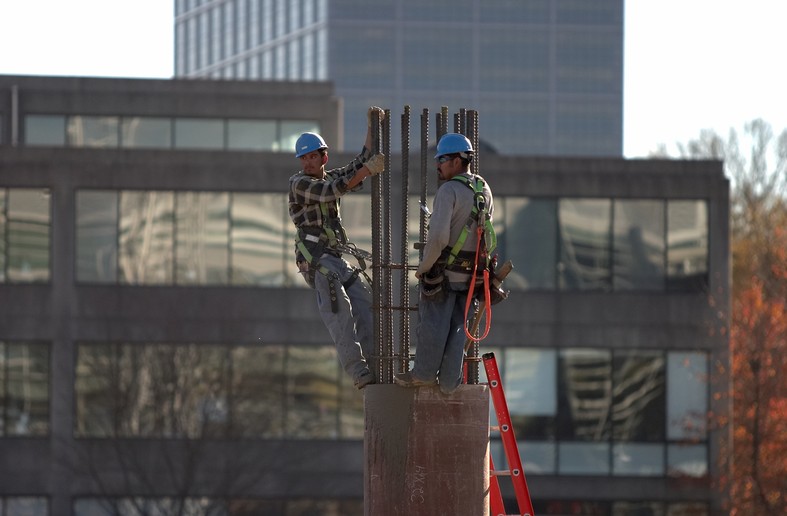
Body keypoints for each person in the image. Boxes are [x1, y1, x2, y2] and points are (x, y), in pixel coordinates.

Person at [289, 107, 386, 389]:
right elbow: (333, 191)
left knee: (365, 302)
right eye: (304, 158)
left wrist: (372, 126)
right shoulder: (299, 184)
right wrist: (366, 172)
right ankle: (358, 371)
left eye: (312, 157)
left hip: (334, 258)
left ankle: (376, 363)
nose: (307, 162)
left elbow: (360, 163)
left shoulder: (328, 177)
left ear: (323, 157)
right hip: (317, 260)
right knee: (338, 311)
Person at [394, 133, 494, 394]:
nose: (437, 165)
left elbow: (438, 237)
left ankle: (425, 373)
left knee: (434, 323)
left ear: (456, 160)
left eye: (441, 160)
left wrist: (423, 268)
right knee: (460, 327)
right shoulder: (484, 189)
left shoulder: (448, 190)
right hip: (471, 277)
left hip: (446, 273)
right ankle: (450, 382)